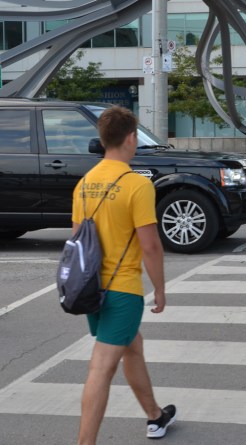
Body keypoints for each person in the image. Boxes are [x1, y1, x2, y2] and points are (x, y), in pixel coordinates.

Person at [74, 106, 176, 444]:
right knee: (101, 368)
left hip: (92, 291)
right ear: (131, 138)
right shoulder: (136, 185)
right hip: (122, 291)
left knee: (132, 347)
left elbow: (78, 241)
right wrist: (160, 290)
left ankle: (155, 416)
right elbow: (151, 246)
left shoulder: (84, 184)